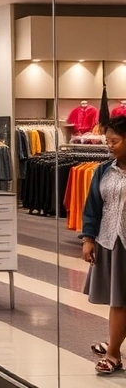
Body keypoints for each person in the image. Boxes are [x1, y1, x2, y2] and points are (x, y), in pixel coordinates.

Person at [83, 116, 126, 374]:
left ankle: (113, 349)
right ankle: (114, 351)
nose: (109, 145)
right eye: (107, 140)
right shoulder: (102, 170)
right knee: (118, 300)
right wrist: (88, 239)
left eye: (116, 141)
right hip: (110, 241)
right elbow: (92, 207)